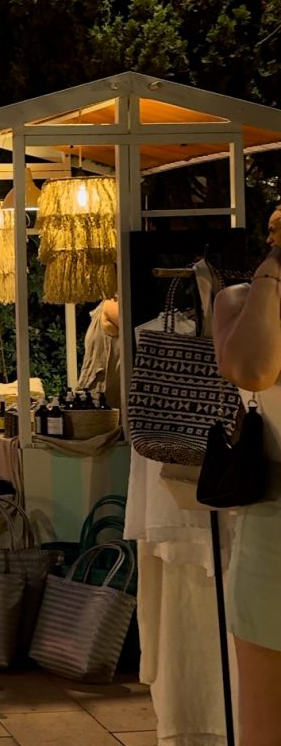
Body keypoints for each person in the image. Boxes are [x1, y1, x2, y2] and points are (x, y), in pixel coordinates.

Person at [213, 204, 281, 745]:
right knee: (266, 720)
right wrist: (271, 273)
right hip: (276, 530)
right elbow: (254, 369)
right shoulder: (237, 302)